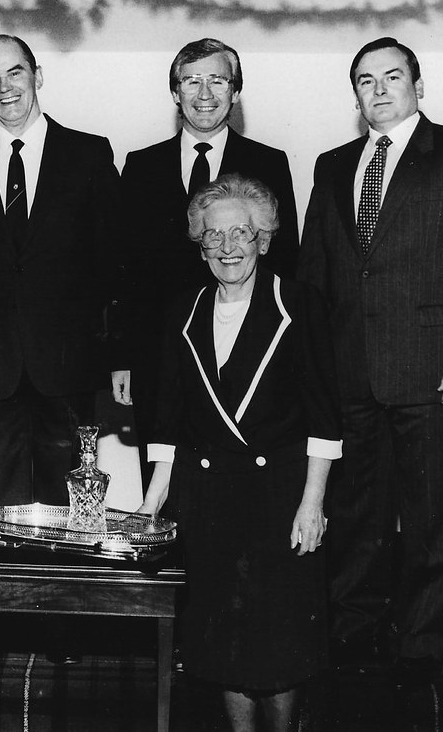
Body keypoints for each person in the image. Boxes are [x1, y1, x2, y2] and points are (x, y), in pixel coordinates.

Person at [298, 37, 443, 687]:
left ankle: (422, 643)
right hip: (352, 374)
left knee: (432, 521)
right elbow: (314, 277)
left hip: (437, 374)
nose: (378, 90)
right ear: (354, 94)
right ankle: (351, 630)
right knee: (355, 517)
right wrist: (314, 371)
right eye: (365, 80)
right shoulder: (332, 164)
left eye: (391, 77)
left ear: (418, 84)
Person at [140, 174, 342, 731]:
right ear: (199, 244)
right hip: (208, 498)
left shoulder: (297, 303)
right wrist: (151, 506)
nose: (228, 247)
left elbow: (326, 418)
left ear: (264, 238)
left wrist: (313, 504)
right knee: (221, 639)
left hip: (279, 497)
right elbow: (169, 422)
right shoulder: (183, 310)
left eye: (242, 233)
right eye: (214, 236)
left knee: (276, 642)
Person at [0, 34, 122, 508]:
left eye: (14, 72)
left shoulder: (90, 154)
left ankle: (69, 584)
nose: (4, 87)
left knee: (71, 508)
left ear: (37, 76)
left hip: (69, 365)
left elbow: (114, 264)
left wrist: (116, 352)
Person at [115, 38, 299, 490]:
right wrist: (122, 358)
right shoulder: (140, 167)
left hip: (246, 355)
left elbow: (287, 262)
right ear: (174, 92)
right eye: (191, 81)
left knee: (237, 485)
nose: (204, 94)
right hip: (159, 355)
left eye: (217, 80)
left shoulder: (268, 163)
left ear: (235, 92)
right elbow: (124, 271)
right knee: (160, 480)